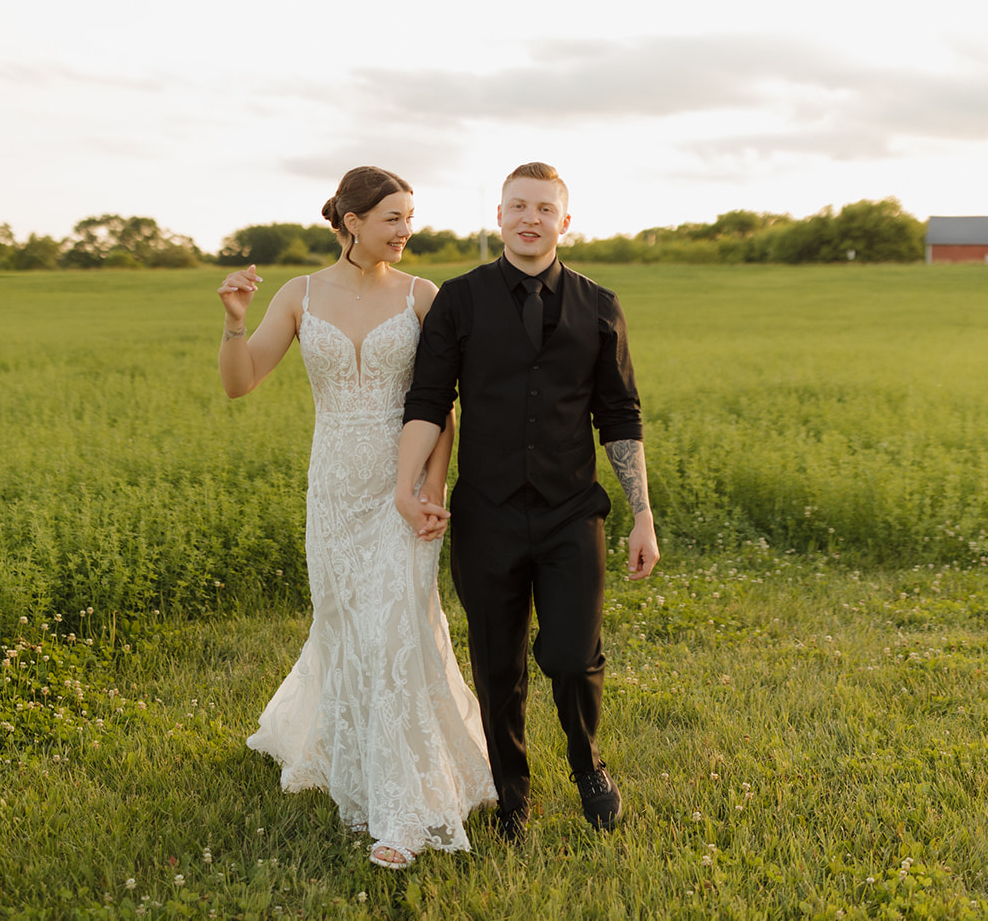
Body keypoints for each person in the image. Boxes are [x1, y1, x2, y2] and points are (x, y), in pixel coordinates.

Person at [219, 166, 497, 870]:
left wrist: (434, 487)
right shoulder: (299, 295)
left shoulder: (422, 296)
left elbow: (443, 404)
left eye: (410, 216)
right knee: (347, 624)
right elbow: (241, 381)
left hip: (402, 488)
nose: (408, 230)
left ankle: (402, 812)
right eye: (393, 219)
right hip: (334, 490)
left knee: (398, 628)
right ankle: (341, 749)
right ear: (350, 219)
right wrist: (233, 322)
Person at [395, 161, 660, 842]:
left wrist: (642, 513)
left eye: (545, 207)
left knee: (573, 654)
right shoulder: (459, 300)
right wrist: (411, 484)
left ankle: (587, 762)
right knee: (498, 663)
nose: (530, 218)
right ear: (500, 215)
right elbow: (429, 400)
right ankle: (511, 793)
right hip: (487, 515)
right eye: (519, 205)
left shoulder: (599, 305)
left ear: (564, 222)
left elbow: (620, 413)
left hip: (573, 512)